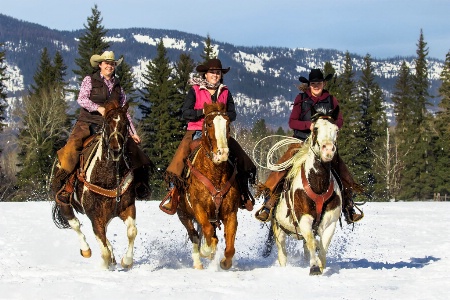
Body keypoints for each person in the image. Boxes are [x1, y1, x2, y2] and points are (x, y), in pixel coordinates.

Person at [255, 68, 364, 223]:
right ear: (309, 85)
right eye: (313, 83)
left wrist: (329, 124)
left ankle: (348, 204)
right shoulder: (301, 99)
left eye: (319, 83)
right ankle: (269, 202)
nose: (316, 86)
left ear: (323, 83)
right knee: (283, 165)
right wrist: (309, 125)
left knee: (341, 168)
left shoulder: (331, 100)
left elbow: (339, 120)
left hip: (323, 143)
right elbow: (292, 122)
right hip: (301, 141)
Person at [52, 51, 151, 203]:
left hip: (112, 126)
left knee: (135, 151)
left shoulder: (118, 86)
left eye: (112, 64)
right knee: (73, 147)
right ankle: (66, 186)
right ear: (100, 65)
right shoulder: (89, 80)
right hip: (88, 122)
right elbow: (82, 99)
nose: (109, 66)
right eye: (106, 63)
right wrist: (98, 108)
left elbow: (125, 112)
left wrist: (133, 132)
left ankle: (139, 185)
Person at [161, 58, 256, 213]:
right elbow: (186, 112)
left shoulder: (225, 91)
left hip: (220, 133)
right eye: (212, 72)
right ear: (205, 74)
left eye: (218, 72)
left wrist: (223, 117)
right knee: (181, 155)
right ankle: (173, 194)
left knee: (240, 155)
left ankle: (243, 192)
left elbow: (233, 113)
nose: (215, 75)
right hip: (197, 130)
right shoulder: (195, 90)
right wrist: (202, 113)